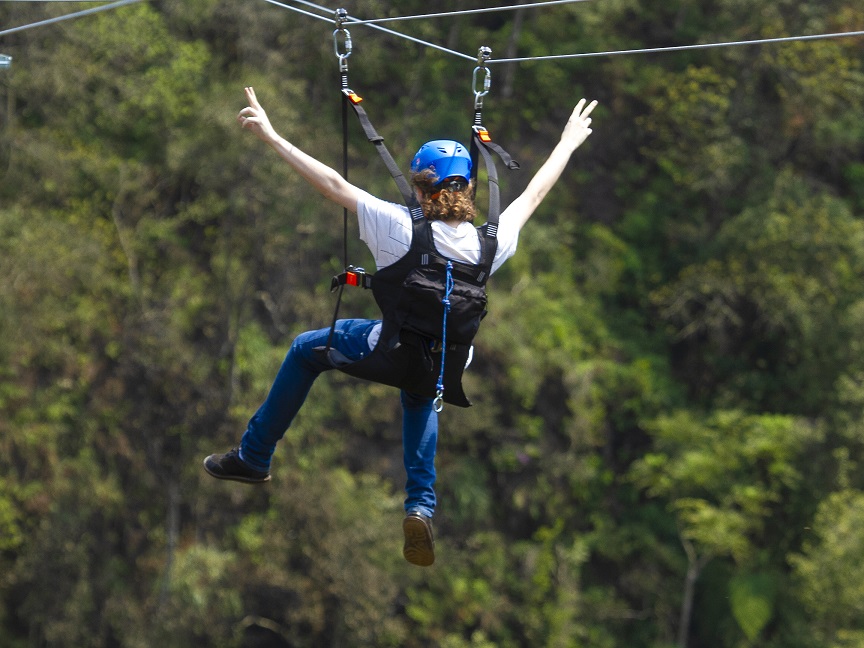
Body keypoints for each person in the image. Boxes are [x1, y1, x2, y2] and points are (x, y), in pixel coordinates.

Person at [204, 86, 597, 566]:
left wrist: (270, 135)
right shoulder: (494, 244)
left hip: (386, 349)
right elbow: (534, 192)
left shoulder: (397, 225)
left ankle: (254, 455)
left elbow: (331, 183)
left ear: (419, 189)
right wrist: (569, 142)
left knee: (307, 350)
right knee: (421, 386)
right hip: (443, 364)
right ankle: (420, 505)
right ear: (469, 190)